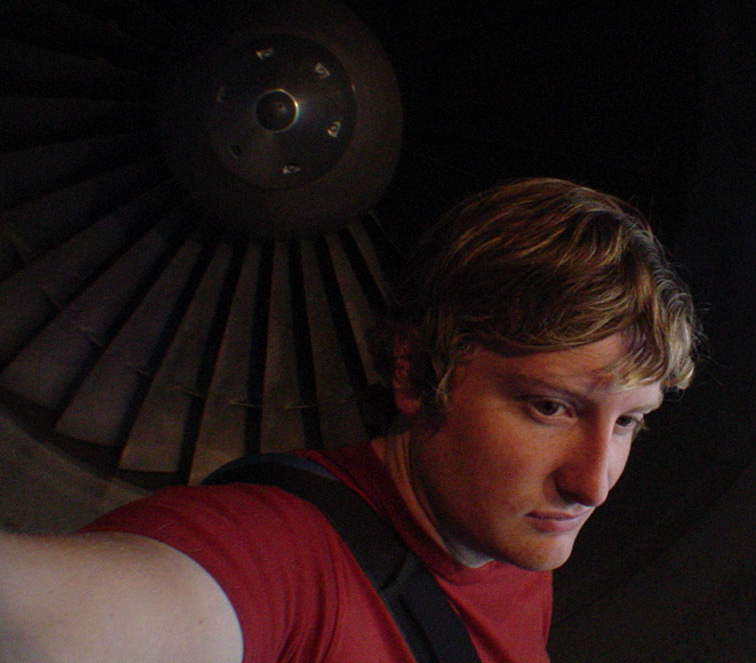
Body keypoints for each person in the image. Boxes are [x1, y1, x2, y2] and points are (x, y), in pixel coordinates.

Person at [0, 177, 698, 663]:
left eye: (629, 422)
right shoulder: (283, 557)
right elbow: (62, 621)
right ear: (415, 373)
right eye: (549, 408)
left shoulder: (508, 540)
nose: (591, 484)